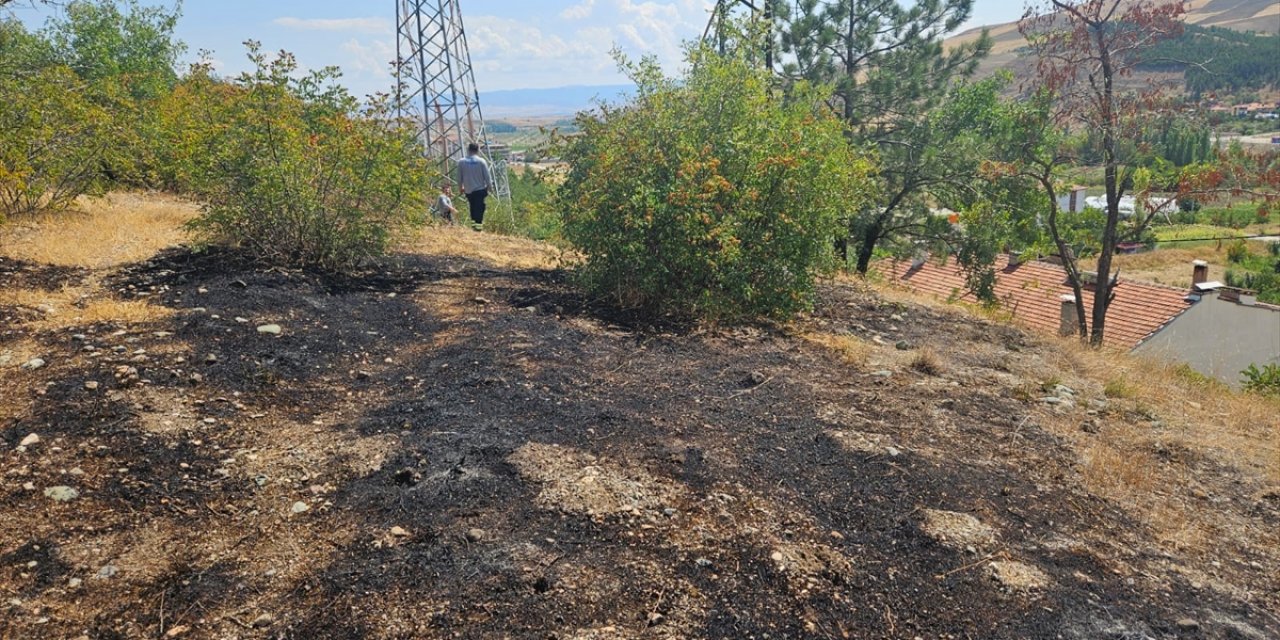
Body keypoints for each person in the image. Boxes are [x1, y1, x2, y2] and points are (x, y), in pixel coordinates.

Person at [457, 142, 492, 231]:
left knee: (472, 207)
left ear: (468, 150)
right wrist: (489, 188)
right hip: (480, 190)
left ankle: (473, 227)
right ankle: (478, 228)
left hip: (469, 191)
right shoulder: (481, 161)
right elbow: (487, 177)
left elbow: (459, 178)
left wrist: (460, 188)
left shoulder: (461, 162)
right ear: (478, 150)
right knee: (479, 209)